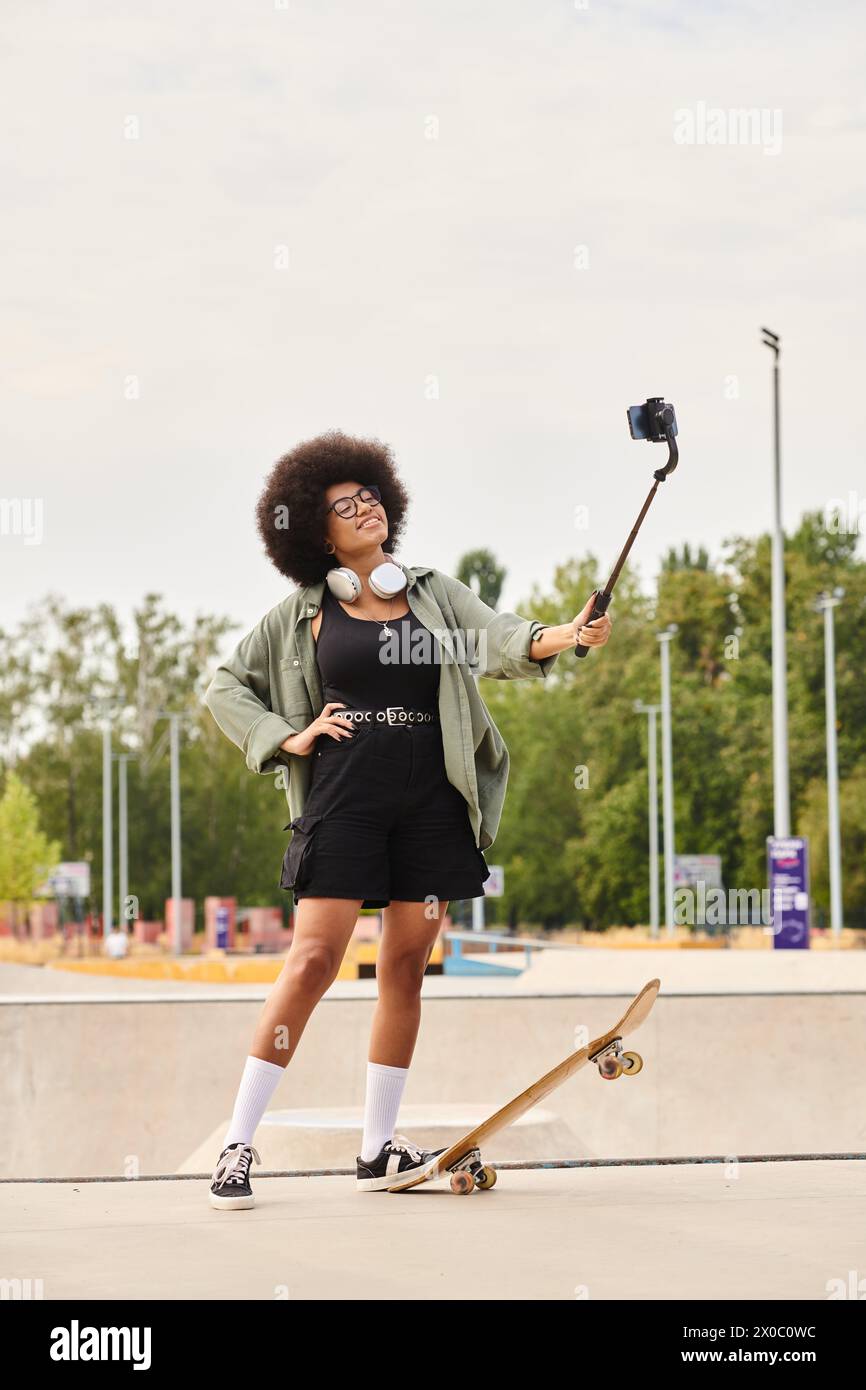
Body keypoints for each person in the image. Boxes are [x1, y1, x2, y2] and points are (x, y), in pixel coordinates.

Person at [204, 430, 612, 1208]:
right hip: (345, 797)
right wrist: (288, 736)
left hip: (431, 801)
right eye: (344, 505)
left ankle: (377, 1149)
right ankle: (236, 1146)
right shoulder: (303, 615)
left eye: (371, 496)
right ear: (316, 534)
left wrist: (568, 632)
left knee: (403, 970)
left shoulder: (431, 592)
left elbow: (499, 640)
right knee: (314, 962)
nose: (366, 509)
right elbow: (225, 687)